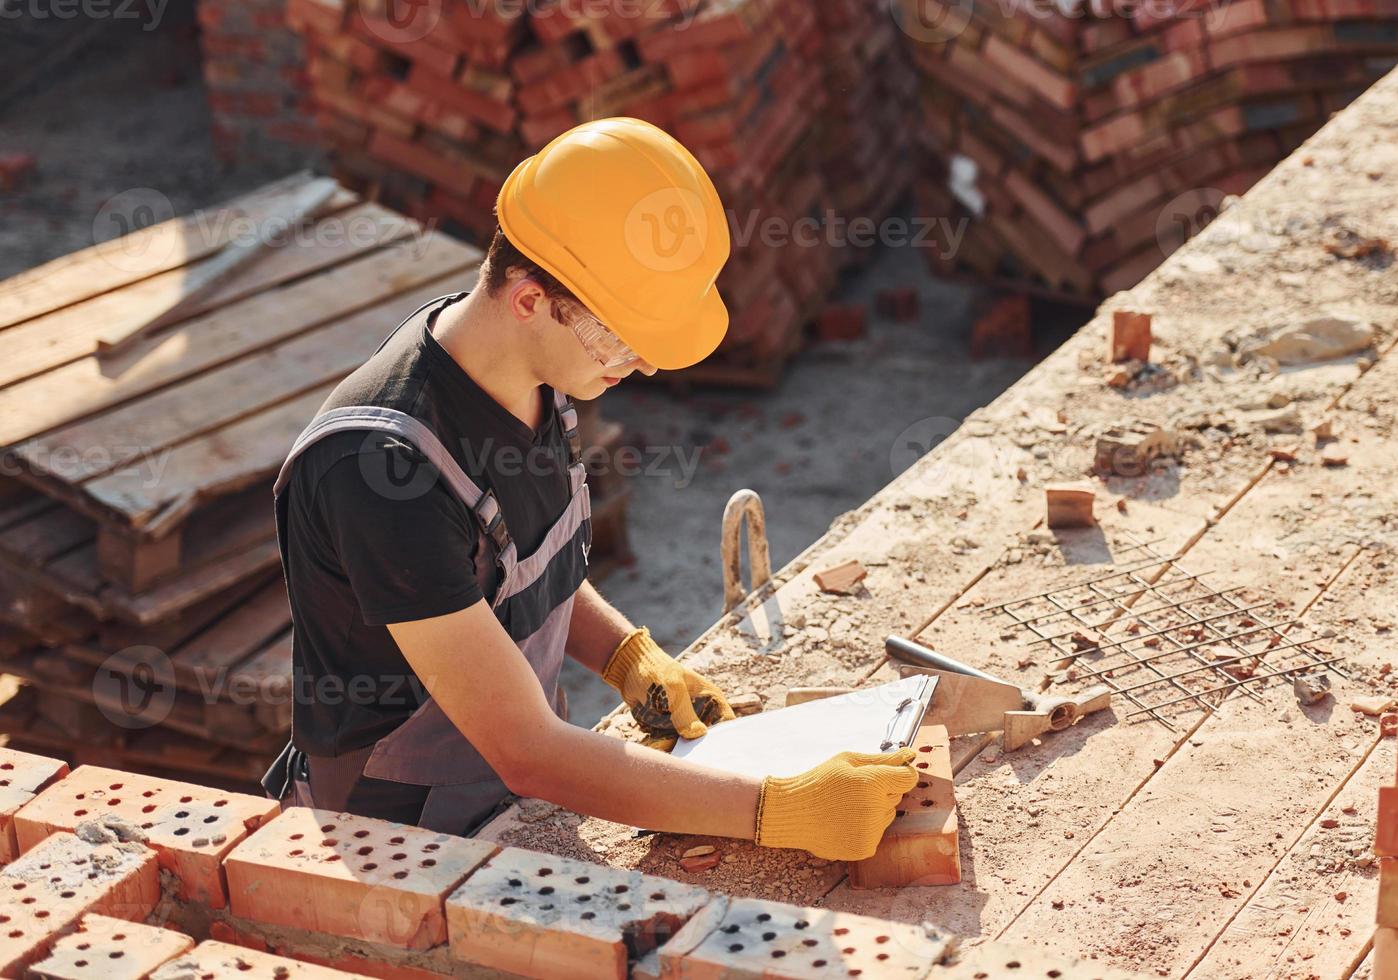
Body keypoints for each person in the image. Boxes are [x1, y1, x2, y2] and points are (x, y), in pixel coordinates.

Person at [261, 118, 916, 860]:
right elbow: (529, 751)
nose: (638, 365)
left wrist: (623, 655)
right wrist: (777, 810)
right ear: (530, 299)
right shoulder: (381, 475)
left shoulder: (533, 368)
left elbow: (506, 576)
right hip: (399, 840)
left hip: (511, 802)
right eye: (620, 338)